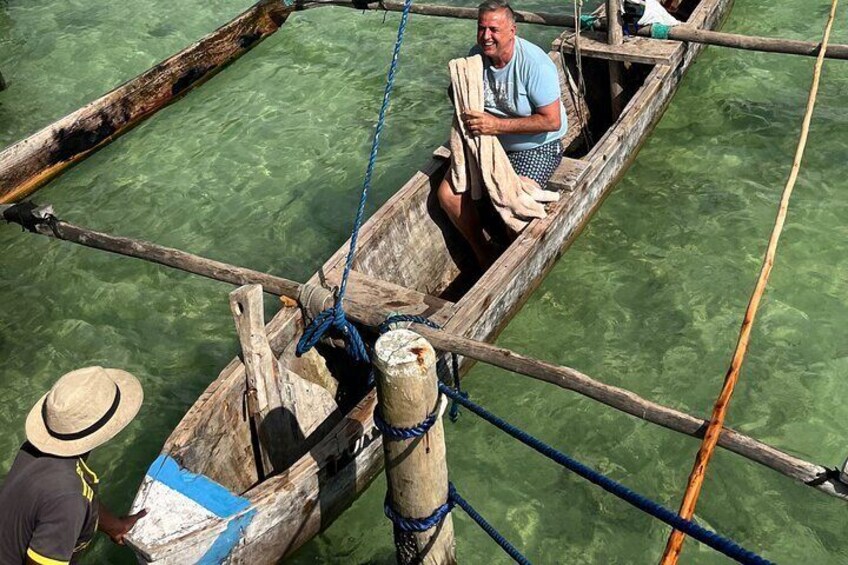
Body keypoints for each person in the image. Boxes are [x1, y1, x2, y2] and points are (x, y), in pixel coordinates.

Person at [437, 0, 568, 267]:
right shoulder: (476, 57)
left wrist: (496, 126)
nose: (486, 37)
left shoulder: (534, 64)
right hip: (488, 141)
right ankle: (483, 254)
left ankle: (513, 262)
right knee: (447, 195)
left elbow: (552, 121)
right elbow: (460, 93)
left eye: (494, 29)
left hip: (536, 145)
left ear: (512, 30)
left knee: (515, 203)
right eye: (481, 28)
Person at [0, 366, 147, 565]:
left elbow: (77, 496)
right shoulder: (69, 498)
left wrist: (116, 527)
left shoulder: (33, 452)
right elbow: (69, 500)